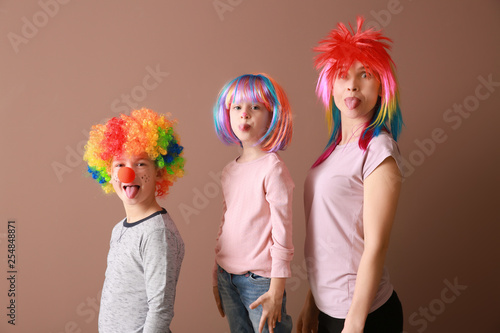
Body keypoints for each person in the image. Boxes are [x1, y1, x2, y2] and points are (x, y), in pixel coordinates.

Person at [297, 17, 404, 333]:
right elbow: (330, 237)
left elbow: (375, 246)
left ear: (382, 86)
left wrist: (354, 324)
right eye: (343, 75)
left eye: (365, 75)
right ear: (330, 87)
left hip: (364, 316)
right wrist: (311, 303)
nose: (352, 84)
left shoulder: (379, 150)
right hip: (328, 310)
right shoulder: (331, 154)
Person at [83, 108, 185, 333]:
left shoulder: (157, 234)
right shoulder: (119, 229)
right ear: (108, 172)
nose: (128, 174)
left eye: (140, 164)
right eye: (120, 165)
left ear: (159, 171)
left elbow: (161, 309)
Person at [212, 73, 295, 333]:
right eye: (237, 107)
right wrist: (216, 274)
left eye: (255, 107)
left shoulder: (273, 168)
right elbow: (227, 223)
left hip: (260, 281)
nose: (244, 114)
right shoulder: (229, 170)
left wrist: (277, 287)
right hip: (227, 276)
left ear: (272, 117)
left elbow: (283, 231)